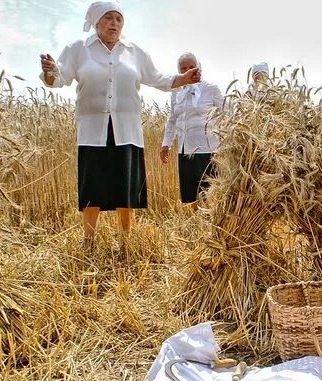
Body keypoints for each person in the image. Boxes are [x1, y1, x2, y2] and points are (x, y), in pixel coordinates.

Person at [39, 1, 200, 248]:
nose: (114, 23)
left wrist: (182, 79)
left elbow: (156, 78)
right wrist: (50, 72)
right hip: (93, 129)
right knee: (92, 183)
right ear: (95, 21)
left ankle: (126, 239)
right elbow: (58, 79)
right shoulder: (78, 49)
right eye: (108, 18)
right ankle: (88, 240)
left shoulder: (134, 51)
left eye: (118, 19)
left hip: (127, 128)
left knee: (126, 184)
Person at [160, 53, 224, 205]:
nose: (188, 71)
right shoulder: (176, 93)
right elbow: (172, 120)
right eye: (183, 69)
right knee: (190, 198)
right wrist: (166, 144)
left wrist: (227, 142)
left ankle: (210, 227)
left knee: (210, 197)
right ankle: (196, 227)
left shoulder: (211, 89)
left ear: (198, 68)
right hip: (185, 151)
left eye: (191, 67)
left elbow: (227, 114)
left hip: (207, 151)